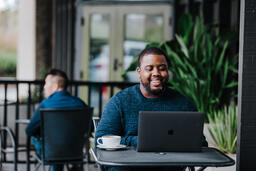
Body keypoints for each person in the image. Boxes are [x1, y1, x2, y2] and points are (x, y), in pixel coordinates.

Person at [95, 47, 208, 171]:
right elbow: (101, 139)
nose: (156, 73)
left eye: (162, 68)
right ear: (139, 72)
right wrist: (137, 141)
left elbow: (201, 144)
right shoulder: (120, 101)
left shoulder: (183, 104)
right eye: (149, 69)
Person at [26, 69, 87, 171]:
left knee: (37, 137)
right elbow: (90, 127)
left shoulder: (45, 104)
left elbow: (29, 130)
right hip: (75, 152)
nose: (44, 86)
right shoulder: (80, 103)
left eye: (46, 83)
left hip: (51, 153)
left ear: (55, 86)